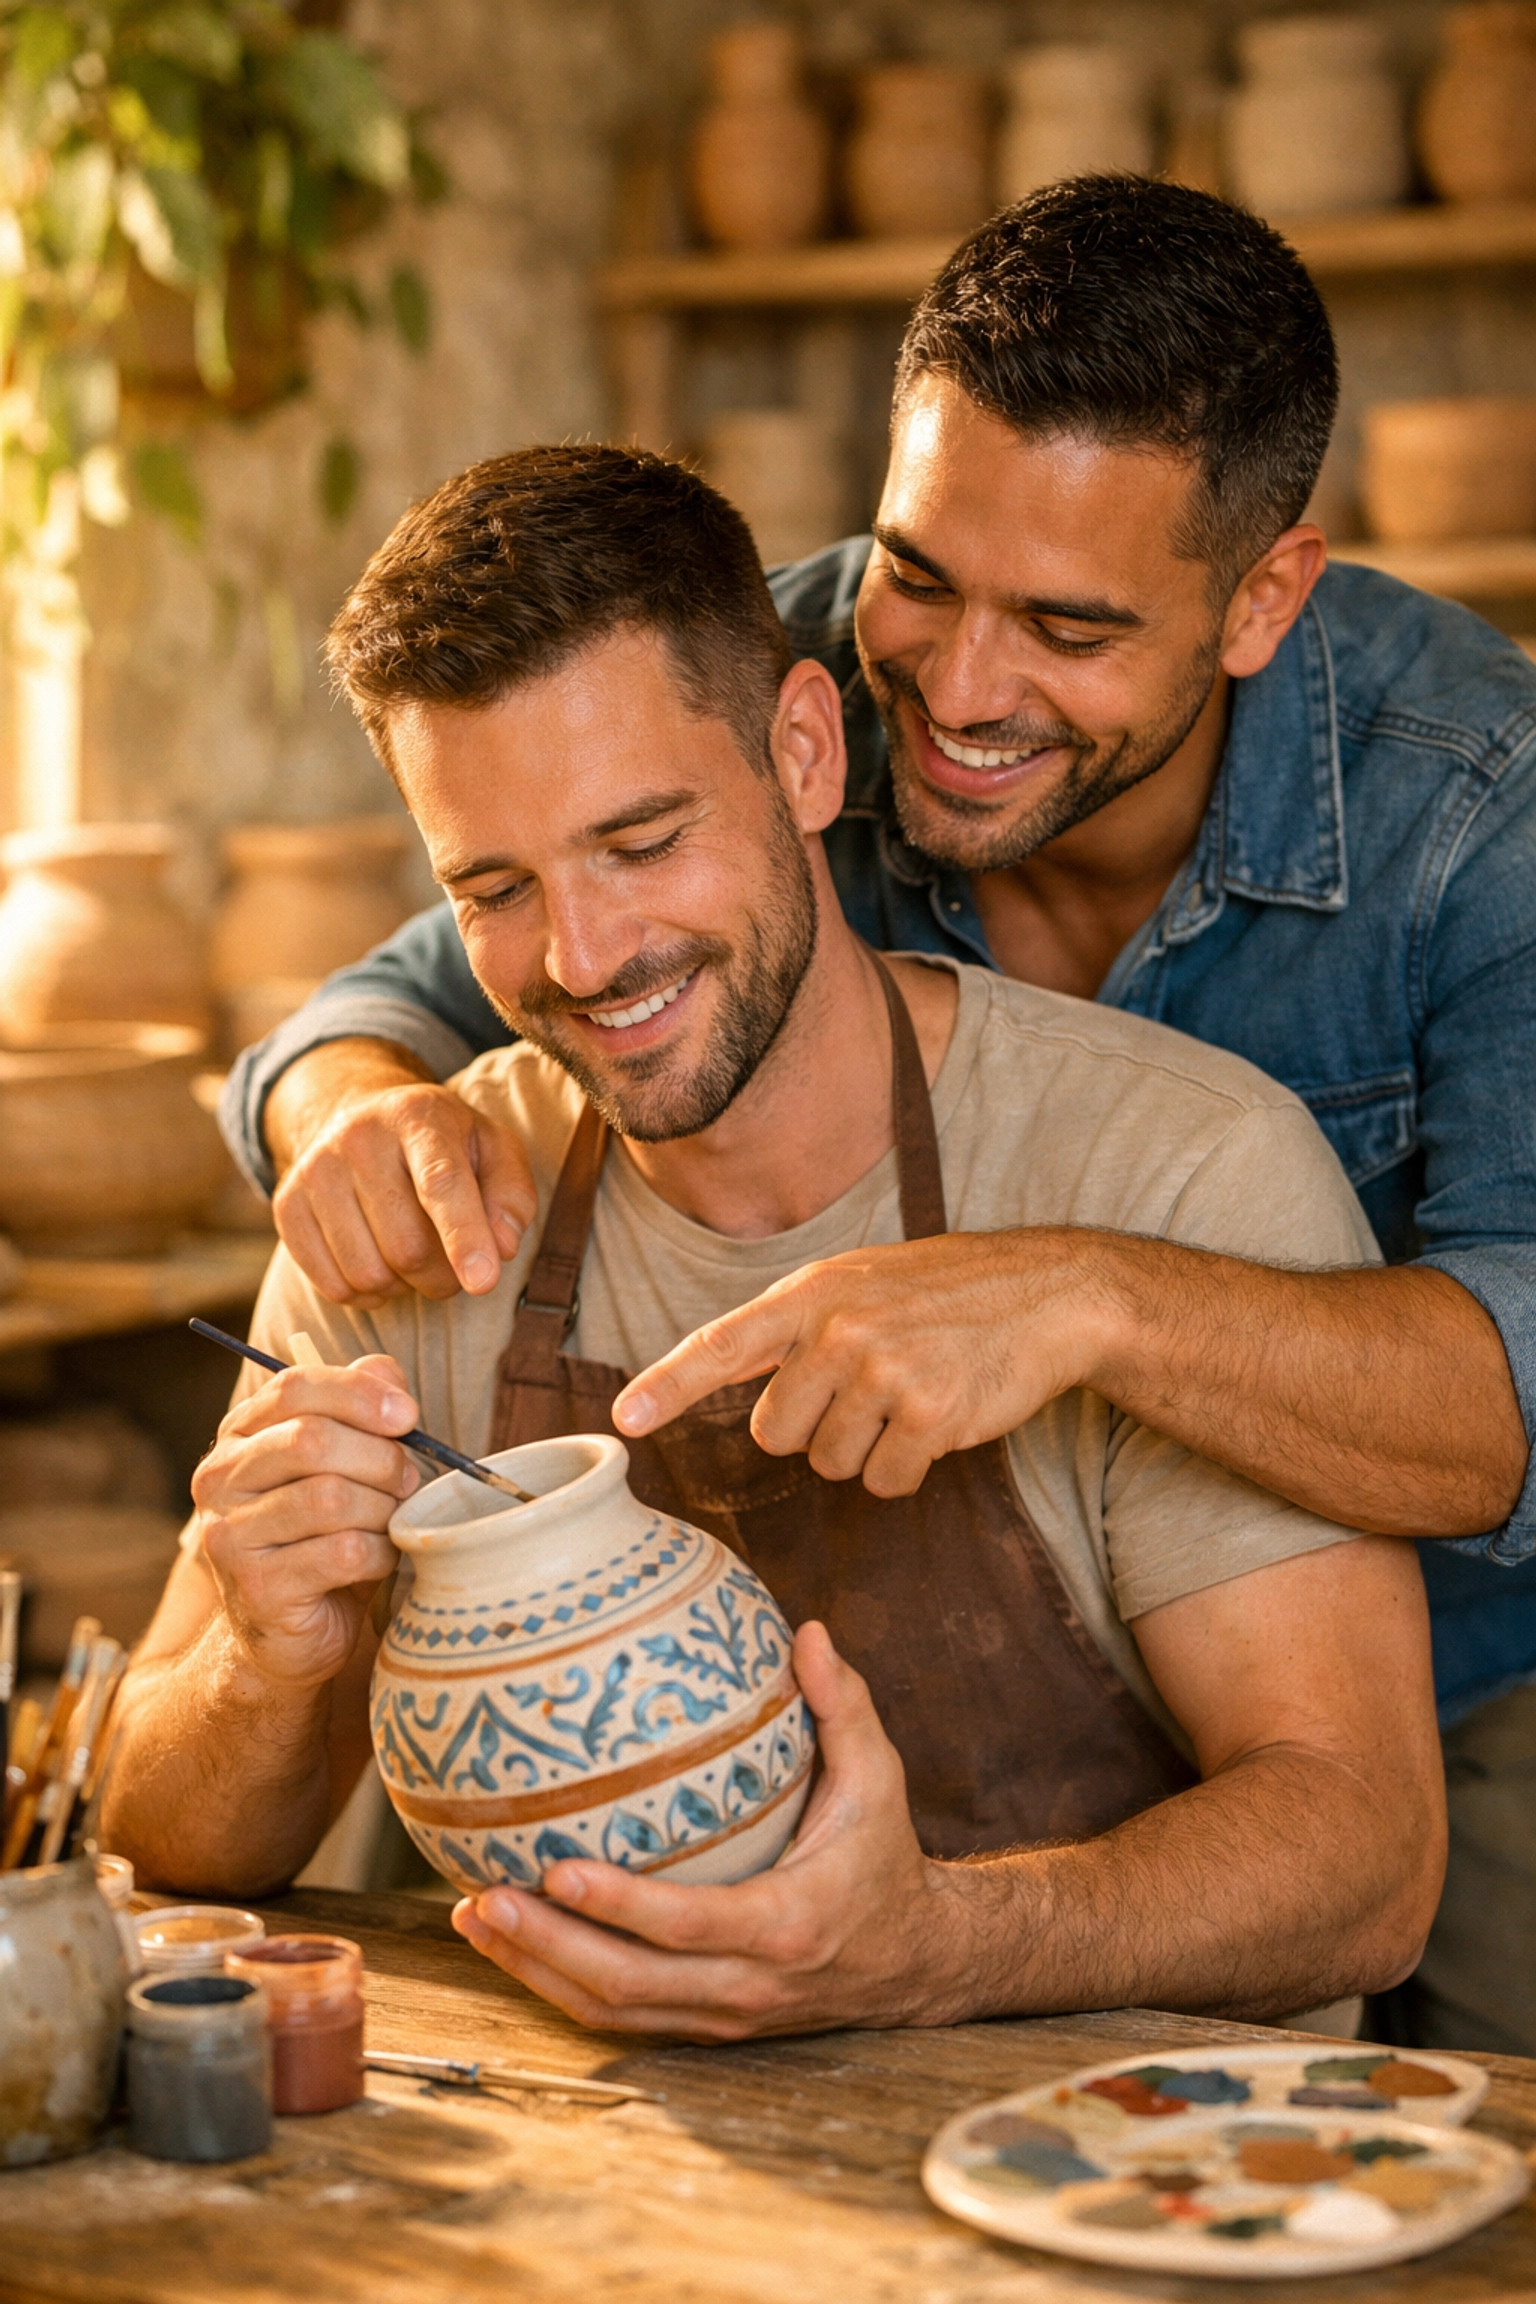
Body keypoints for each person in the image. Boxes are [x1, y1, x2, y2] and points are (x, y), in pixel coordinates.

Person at [220, 180, 1536, 2055]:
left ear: (1260, 599)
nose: (958, 688)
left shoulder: (1479, 815)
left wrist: (1093, 1298)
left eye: (1068, 626)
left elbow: (1511, 1405)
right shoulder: (808, 663)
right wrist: (342, 1109)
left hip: (1456, 1652)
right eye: (924, 569)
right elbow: (466, 950)